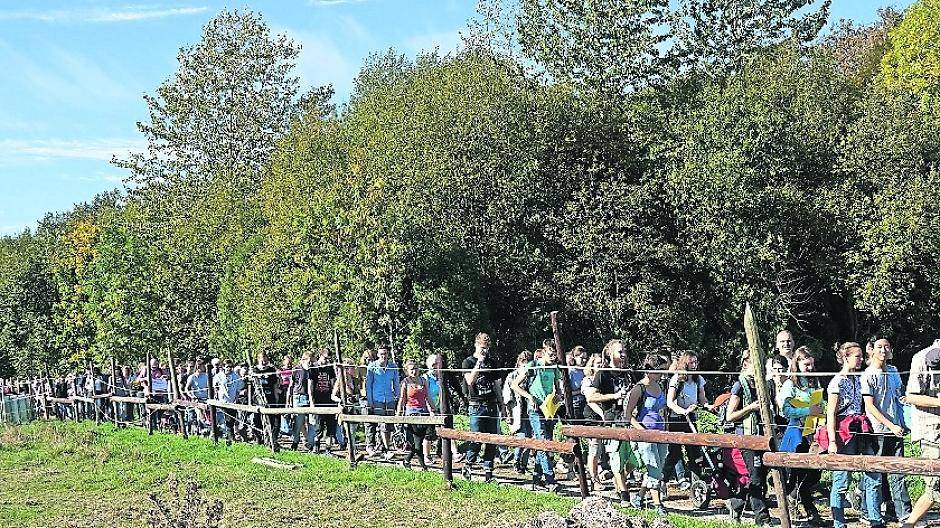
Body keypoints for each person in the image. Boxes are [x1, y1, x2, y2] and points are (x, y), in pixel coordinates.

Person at [826, 342, 880, 528]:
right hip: (844, 432)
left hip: (860, 429)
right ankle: (839, 524)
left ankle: (875, 520)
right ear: (846, 357)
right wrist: (832, 441)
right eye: (857, 356)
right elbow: (831, 413)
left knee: (873, 472)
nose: (860, 359)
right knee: (841, 479)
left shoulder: (858, 379)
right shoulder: (837, 382)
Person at [859, 337, 911, 524]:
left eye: (886, 346)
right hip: (878, 430)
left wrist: (906, 419)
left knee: (899, 472)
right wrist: (891, 425)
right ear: (871, 350)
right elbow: (870, 407)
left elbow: (900, 396)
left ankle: (904, 514)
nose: (883, 350)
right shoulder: (868, 375)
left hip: (897, 429)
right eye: (879, 347)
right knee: (876, 473)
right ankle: (867, 511)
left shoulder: (894, 371)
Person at [778, 346, 826, 526]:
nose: (810, 368)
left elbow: (819, 407)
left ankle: (797, 497)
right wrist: (808, 410)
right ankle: (796, 502)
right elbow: (786, 409)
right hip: (796, 431)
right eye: (806, 364)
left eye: (811, 364)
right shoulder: (791, 384)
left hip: (812, 432)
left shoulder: (815, 383)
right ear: (797, 363)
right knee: (797, 472)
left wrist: (821, 421)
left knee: (814, 473)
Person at [583, 339, 633, 506]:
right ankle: (624, 495)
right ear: (610, 353)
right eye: (620, 351)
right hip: (612, 420)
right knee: (617, 458)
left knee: (635, 459)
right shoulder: (602, 373)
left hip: (630, 420)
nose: (624, 353)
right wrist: (614, 396)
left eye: (624, 350)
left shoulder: (629, 372)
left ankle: (618, 478)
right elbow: (591, 397)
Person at [724, 351, 772, 526]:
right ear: (746, 364)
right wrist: (750, 408)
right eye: (756, 363)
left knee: (759, 476)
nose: (760, 367)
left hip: (763, 435)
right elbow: (730, 416)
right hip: (745, 435)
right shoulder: (739, 385)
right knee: (756, 475)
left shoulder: (764, 384)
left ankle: (736, 504)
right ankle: (762, 518)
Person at [512, 344, 563, 492]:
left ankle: (536, 477)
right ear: (543, 352)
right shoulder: (532, 366)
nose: (553, 357)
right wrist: (530, 397)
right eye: (551, 354)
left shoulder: (555, 368)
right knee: (542, 442)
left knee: (546, 442)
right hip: (535, 410)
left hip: (549, 409)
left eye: (555, 354)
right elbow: (515, 385)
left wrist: (558, 394)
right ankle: (550, 479)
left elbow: (558, 387)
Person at [624, 353, 669, 514]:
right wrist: (643, 432)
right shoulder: (639, 388)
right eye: (660, 370)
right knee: (654, 468)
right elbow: (628, 416)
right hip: (644, 435)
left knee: (657, 467)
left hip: (661, 433)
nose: (663, 374)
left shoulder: (660, 386)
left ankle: (639, 497)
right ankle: (658, 505)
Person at [902, 339, 940, 528]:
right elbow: (911, 396)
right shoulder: (922, 358)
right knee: (935, 485)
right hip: (932, 431)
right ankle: (909, 524)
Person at [461, 332, 505, 482]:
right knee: (476, 439)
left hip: (491, 404)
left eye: (486, 348)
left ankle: (488, 473)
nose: (484, 351)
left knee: (492, 440)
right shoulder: (468, 362)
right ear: (476, 345)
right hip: (476, 405)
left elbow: (497, 386)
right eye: (482, 347)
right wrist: (479, 363)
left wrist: (502, 405)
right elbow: (470, 381)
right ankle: (468, 464)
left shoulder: (492, 363)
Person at [664, 351, 709, 488]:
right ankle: (662, 482)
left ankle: (697, 486)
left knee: (694, 452)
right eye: (691, 362)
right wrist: (683, 411)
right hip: (677, 419)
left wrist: (708, 406)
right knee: (674, 453)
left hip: (691, 418)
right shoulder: (677, 379)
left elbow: (702, 398)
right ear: (685, 363)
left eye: (696, 362)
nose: (694, 365)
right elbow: (670, 402)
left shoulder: (698, 379)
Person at [396, 359, 435, 470]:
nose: (414, 371)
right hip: (412, 413)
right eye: (412, 369)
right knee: (418, 441)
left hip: (424, 412)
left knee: (425, 437)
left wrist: (433, 409)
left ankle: (407, 460)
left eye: (416, 368)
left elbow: (428, 396)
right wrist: (399, 413)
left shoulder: (423, 380)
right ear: (407, 371)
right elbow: (402, 399)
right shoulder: (405, 382)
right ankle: (423, 467)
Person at [366, 345, 400, 459]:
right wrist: (370, 401)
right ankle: (386, 448)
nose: (383, 356)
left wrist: (397, 397)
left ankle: (382, 447)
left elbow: (396, 383)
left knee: (389, 425)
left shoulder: (393, 367)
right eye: (381, 354)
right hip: (377, 399)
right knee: (381, 425)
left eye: (385, 354)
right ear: (378, 355)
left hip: (389, 399)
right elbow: (368, 385)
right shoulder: (372, 367)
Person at [504, 350, 534, 475]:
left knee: (529, 439)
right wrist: (508, 414)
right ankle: (516, 462)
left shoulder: (532, 375)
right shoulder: (512, 376)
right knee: (521, 439)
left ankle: (523, 464)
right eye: (523, 362)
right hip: (517, 411)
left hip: (530, 411)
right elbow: (507, 396)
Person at [310, 347, 339, 452]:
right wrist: (312, 401)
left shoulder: (329, 367)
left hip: (329, 400)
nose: (327, 361)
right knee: (319, 426)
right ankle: (316, 446)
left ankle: (328, 449)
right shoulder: (313, 367)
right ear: (321, 356)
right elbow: (310, 386)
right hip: (318, 400)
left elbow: (333, 383)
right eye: (325, 358)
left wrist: (334, 397)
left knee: (331, 426)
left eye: (328, 359)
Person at [251, 352, 281, 450]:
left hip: (270, 397)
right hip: (258, 399)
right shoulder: (254, 370)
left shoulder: (271, 370)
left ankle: (272, 440)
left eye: (265, 359)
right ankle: (259, 439)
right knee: (257, 420)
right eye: (261, 359)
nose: (264, 361)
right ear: (258, 359)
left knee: (273, 421)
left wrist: (276, 398)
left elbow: (275, 385)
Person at [288, 352, 314, 451]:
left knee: (312, 422)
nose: (311, 363)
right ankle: (295, 441)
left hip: (310, 397)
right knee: (298, 422)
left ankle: (311, 443)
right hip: (298, 397)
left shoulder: (312, 371)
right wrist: (289, 400)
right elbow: (291, 385)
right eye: (309, 361)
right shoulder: (297, 369)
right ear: (304, 360)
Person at [277, 355, 294, 436]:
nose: (288, 362)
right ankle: (283, 428)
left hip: (291, 391)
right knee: (283, 409)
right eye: (287, 360)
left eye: (290, 360)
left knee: (290, 409)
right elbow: (277, 380)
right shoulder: (280, 370)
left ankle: (288, 428)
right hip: (282, 391)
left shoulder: (293, 370)